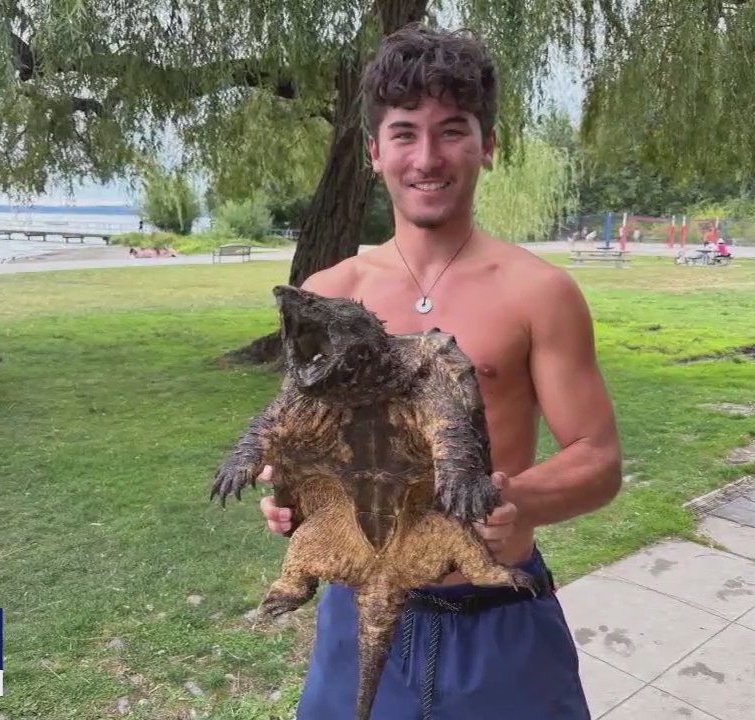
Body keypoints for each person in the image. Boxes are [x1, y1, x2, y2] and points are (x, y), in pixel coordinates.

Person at [252, 23, 622, 720]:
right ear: (373, 151)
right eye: (404, 133)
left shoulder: (538, 292)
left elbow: (598, 459)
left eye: (453, 130)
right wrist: (289, 496)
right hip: (358, 618)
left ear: (488, 145)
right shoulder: (332, 290)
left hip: (498, 623)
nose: (428, 157)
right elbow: (300, 439)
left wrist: (521, 501)